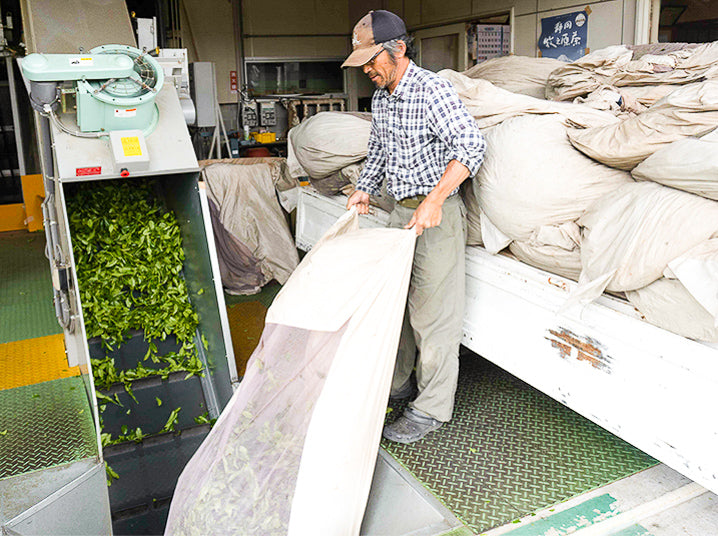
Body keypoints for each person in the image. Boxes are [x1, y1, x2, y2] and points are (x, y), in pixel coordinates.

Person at [343, 10, 486, 444]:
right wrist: (365, 188)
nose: (367, 70)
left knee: (433, 316)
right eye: (362, 63)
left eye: (372, 61)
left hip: (435, 217)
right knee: (399, 306)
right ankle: (400, 384)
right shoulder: (383, 98)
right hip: (398, 214)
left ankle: (431, 408)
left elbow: (471, 145)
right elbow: (379, 150)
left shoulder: (431, 91)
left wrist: (435, 200)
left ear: (399, 49)